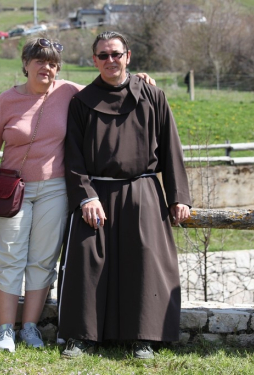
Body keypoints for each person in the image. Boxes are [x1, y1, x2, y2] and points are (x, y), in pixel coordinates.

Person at [0, 37, 156, 353]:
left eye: (53, 64)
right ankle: (6, 329)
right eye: (40, 61)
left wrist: (139, 79)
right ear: (26, 64)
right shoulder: (7, 100)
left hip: (55, 189)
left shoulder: (70, 92)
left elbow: (111, 80)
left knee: (43, 260)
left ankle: (29, 328)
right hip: (13, 191)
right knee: (10, 258)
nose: (47, 68)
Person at [57, 31, 191, 359]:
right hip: (96, 193)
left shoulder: (152, 96)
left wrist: (179, 196)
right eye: (103, 55)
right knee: (88, 260)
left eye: (116, 54)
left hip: (142, 189)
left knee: (144, 259)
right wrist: (86, 196)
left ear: (128, 56)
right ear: (94, 60)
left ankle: (143, 337)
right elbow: (72, 157)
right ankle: (82, 336)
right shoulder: (82, 101)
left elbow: (171, 148)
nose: (110, 60)